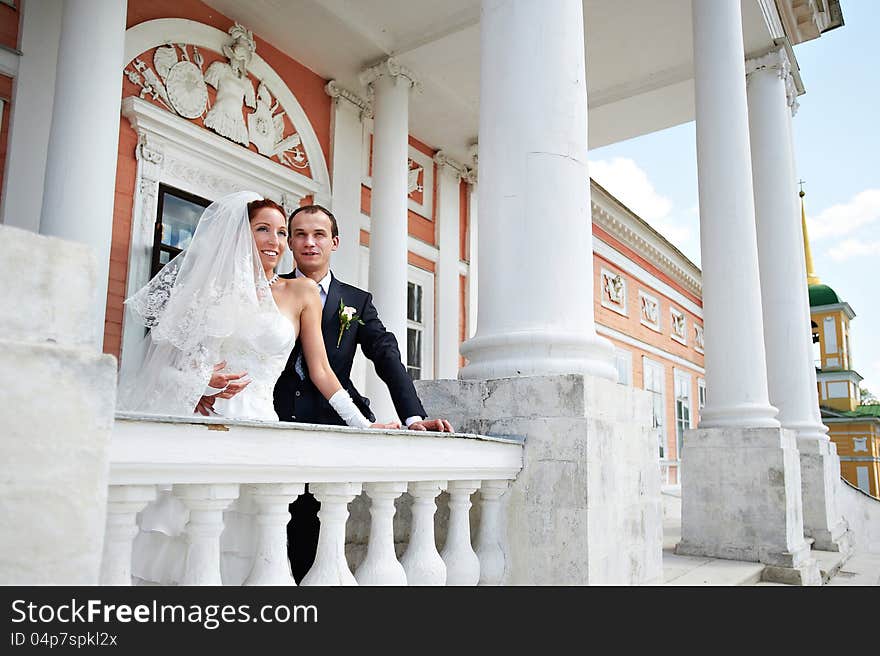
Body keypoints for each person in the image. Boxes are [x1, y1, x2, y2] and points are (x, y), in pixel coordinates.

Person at [118, 191, 398, 584]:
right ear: (239, 234)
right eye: (263, 229)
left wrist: (364, 426)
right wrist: (199, 383)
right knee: (189, 541)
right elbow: (166, 368)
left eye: (281, 232)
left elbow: (322, 371)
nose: (276, 241)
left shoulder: (299, 294)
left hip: (260, 426)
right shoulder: (211, 294)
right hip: (206, 427)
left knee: (251, 547)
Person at [273, 204, 454, 582]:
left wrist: (414, 416)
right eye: (300, 234)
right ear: (289, 242)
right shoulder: (270, 290)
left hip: (334, 424)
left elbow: (387, 358)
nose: (309, 242)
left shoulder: (355, 301)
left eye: (319, 234)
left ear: (334, 242)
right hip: (275, 421)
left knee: (318, 531)